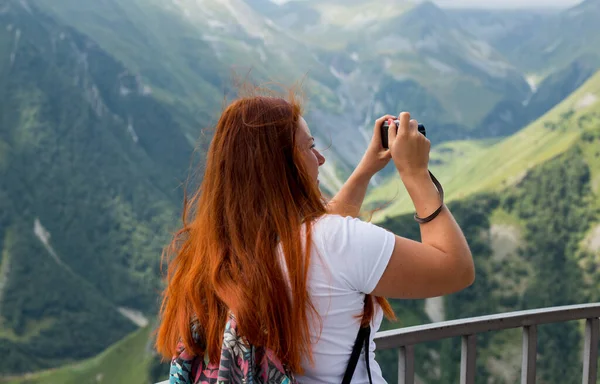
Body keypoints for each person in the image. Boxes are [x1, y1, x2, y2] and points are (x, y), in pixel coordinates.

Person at [154, 88, 474, 383]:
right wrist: (415, 174)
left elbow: (315, 241)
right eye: (309, 147)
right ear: (283, 165)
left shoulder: (215, 251)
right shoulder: (333, 243)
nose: (320, 158)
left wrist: (365, 170)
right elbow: (456, 270)